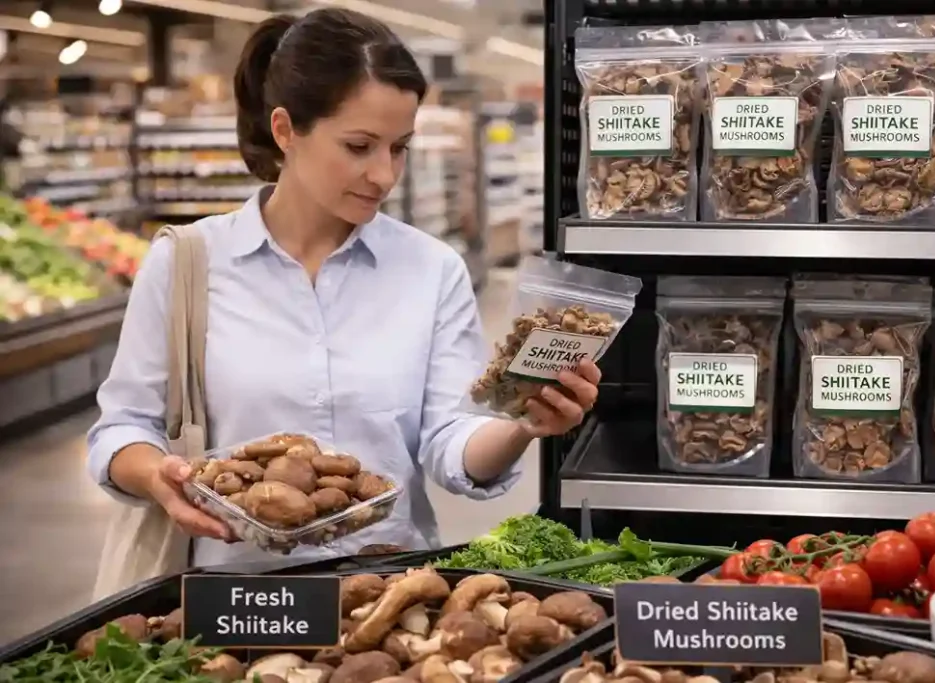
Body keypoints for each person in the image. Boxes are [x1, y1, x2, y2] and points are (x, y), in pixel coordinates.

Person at [85, 8, 601, 567]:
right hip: (235, 605)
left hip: (389, 595)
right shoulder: (186, 263)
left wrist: (520, 428)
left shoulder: (431, 269)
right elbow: (123, 428)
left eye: (398, 148)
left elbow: (450, 439)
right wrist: (158, 475)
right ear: (285, 131)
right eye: (359, 147)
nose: (384, 174)